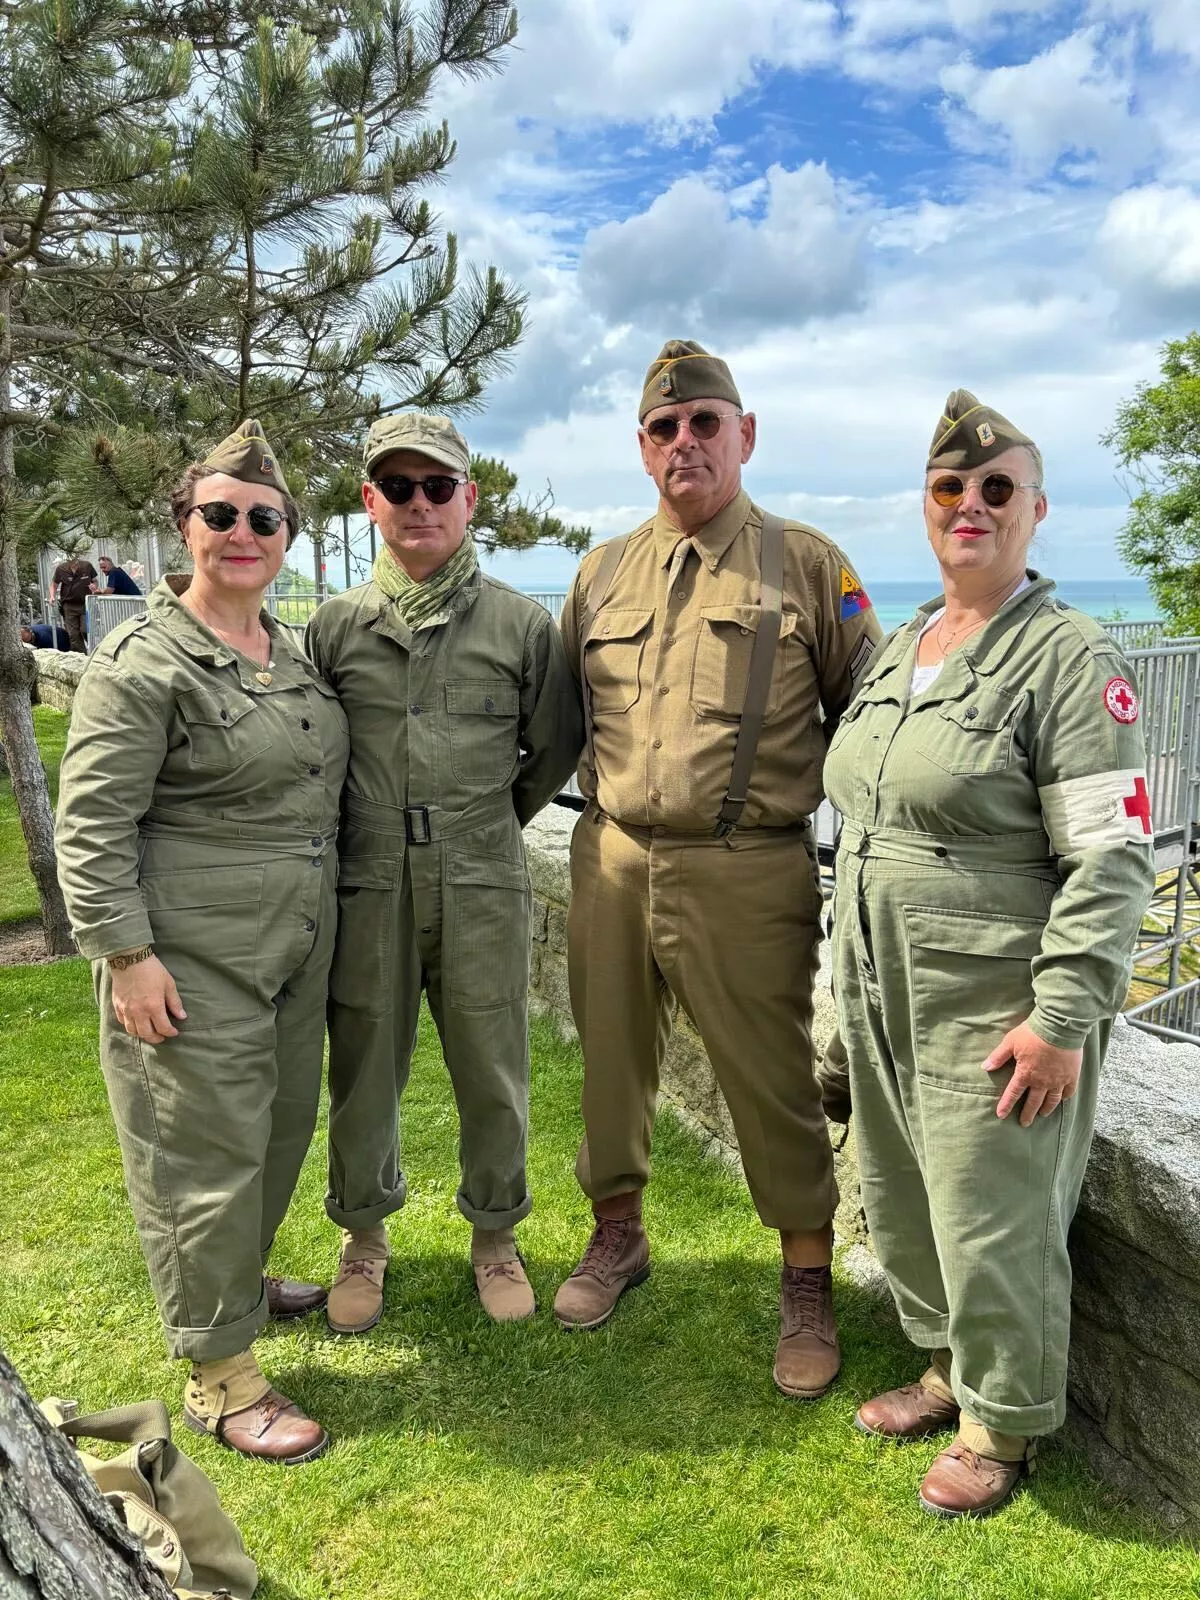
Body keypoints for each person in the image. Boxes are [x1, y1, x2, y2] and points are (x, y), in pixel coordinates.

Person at [824, 390, 1156, 1518]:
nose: (971, 505)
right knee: (906, 1191)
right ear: (925, 507)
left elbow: (1113, 856)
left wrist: (1064, 1015)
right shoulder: (907, 640)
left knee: (994, 1209)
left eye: (996, 489)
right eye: (950, 489)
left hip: (989, 990)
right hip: (880, 975)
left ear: (1036, 510)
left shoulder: (1070, 658)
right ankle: (945, 1367)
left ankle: (1001, 1422)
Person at [554, 340, 881, 1401]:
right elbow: (557, 723)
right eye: (664, 427)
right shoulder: (600, 571)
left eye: (705, 422)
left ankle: (806, 1279)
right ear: (642, 447)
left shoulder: (807, 564)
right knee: (610, 1060)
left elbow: (869, 715)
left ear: (746, 434)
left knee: (772, 1076)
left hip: (747, 864)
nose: (684, 442)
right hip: (608, 857)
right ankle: (618, 1235)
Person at [55, 420, 350, 1466]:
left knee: (275, 1130)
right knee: (202, 1156)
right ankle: (222, 1376)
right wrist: (124, 954)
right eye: (218, 514)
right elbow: (89, 823)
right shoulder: (145, 660)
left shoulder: (291, 656)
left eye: (262, 518)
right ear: (185, 526)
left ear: (286, 537)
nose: (240, 531)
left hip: (290, 953)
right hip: (190, 959)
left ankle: (241, 1282)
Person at [306, 412, 582, 1334]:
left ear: (470, 498)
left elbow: (550, 748)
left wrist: (485, 828)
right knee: (365, 1065)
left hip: (480, 869)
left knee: (493, 1062)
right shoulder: (336, 629)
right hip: (370, 873)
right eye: (398, 487)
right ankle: (363, 1237)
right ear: (369, 500)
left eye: (437, 487)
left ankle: (496, 1235)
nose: (417, 504)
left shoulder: (520, 626)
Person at [50, 554, 97, 652]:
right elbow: (54, 585)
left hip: (85, 604)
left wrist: (94, 586)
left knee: (85, 630)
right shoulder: (61, 569)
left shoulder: (87, 566)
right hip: (69, 605)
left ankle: (94, 650)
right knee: (73, 634)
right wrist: (52, 596)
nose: (73, 563)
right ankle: (81, 656)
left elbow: (95, 581)